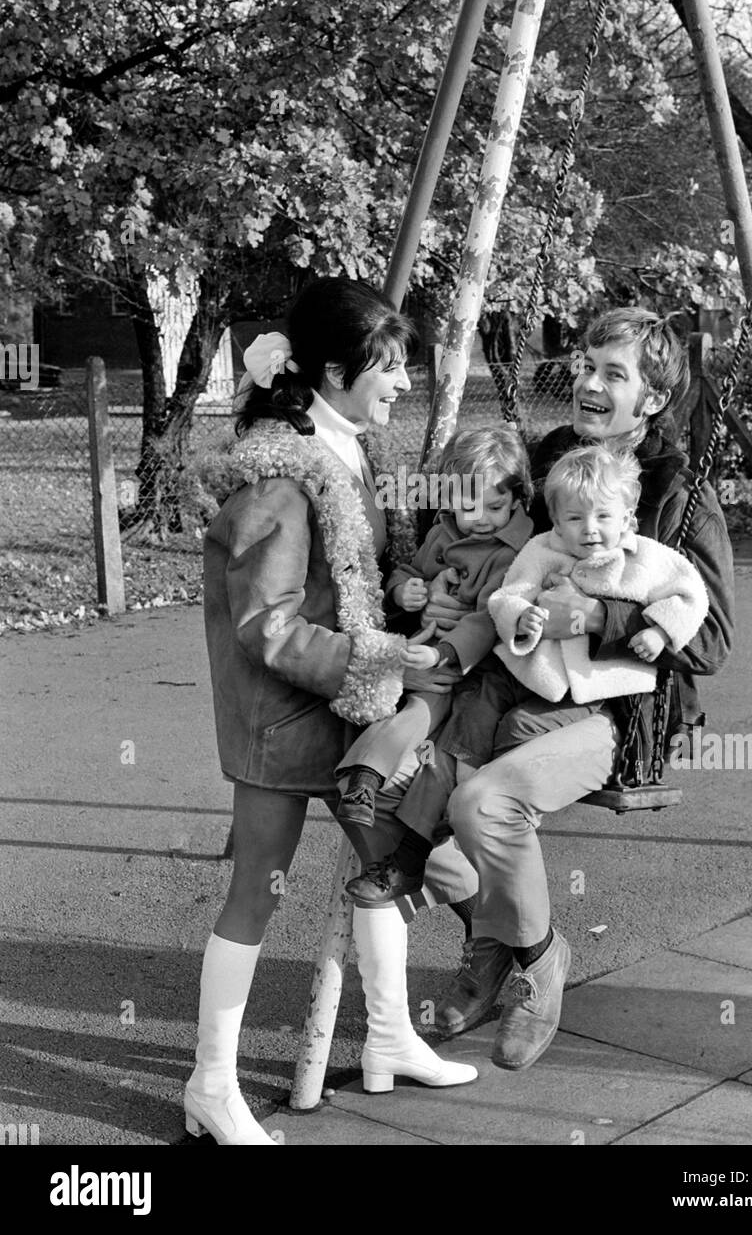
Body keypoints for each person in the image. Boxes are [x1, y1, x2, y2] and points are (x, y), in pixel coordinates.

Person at [187, 278, 478, 1145]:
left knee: (386, 859)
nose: (401, 386)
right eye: (387, 370)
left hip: (344, 704)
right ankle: (210, 1083)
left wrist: (405, 591)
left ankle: (387, 1035)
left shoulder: (349, 448)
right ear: (331, 370)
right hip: (280, 718)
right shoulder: (279, 476)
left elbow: (350, 577)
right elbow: (267, 626)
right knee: (256, 889)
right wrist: (385, 656)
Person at [434, 306, 735, 1073]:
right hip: (522, 683)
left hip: (618, 710)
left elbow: (711, 639)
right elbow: (497, 550)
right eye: (582, 366)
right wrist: (436, 590)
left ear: (653, 401)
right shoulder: (551, 461)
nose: (587, 384)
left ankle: (536, 962)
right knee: (406, 808)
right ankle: (497, 943)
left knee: (480, 802)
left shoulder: (680, 492)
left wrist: (601, 615)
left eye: (612, 374)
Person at [338, 426, 533, 900]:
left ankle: (367, 779)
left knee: (426, 722)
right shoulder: (445, 532)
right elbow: (416, 571)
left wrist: (445, 652)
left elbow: (490, 617)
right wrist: (403, 589)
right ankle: (369, 789)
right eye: (468, 506)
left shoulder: (515, 553)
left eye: (494, 507)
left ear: (517, 501)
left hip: (467, 668)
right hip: (423, 650)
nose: (480, 519)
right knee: (390, 704)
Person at [443, 444, 709, 768]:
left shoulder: (643, 558)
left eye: (603, 516)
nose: (589, 528)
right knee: (476, 704)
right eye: (574, 517)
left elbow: (691, 594)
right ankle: (463, 777)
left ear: (626, 518)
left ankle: (496, 788)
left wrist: (661, 632)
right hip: (528, 669)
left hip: (593, 685)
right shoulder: (540, 549)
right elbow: (506, 597)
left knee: (520, 726)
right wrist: (520, 616)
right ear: (555, 521)